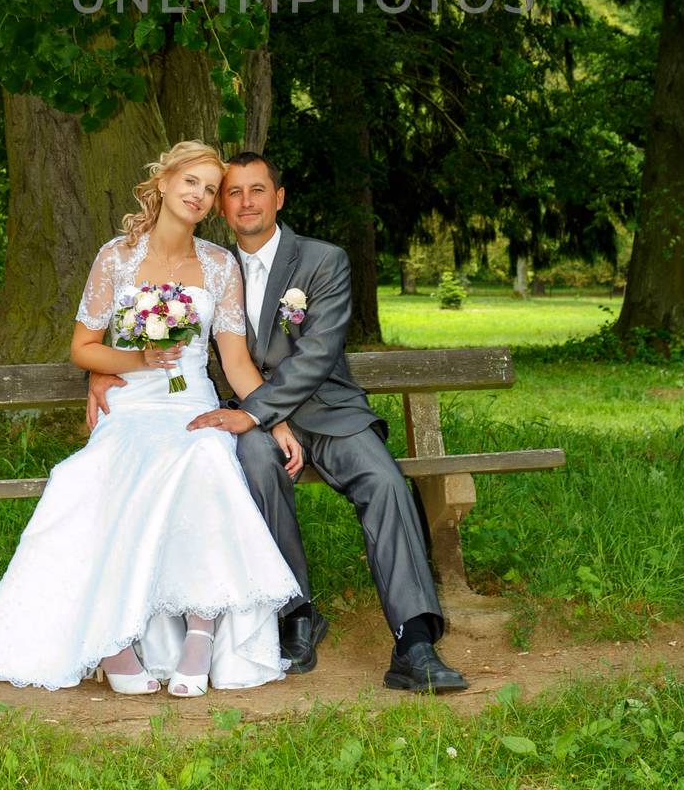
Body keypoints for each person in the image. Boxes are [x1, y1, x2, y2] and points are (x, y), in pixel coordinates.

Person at [89, 151, 468, 694]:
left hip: (326, 412)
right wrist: (101, 375)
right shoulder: (208, 263)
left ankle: (414, 641)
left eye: (257, 190)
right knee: (254, 465)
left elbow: (316, 356)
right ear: (221, 205)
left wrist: (254, 412)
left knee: (384, 483)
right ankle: (296, 614)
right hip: (250, 421)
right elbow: (143, 334)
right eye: (234, 192)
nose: (245, 201)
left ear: (279, 197)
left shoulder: (322, 261)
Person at [0, 141, 303, 696]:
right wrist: (135, 359)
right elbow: (83, 347)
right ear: (162, 183)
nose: (200, 194)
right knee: (88, 478)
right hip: (132, 408)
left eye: (210, 189)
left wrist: (272, 419)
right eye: (191, 181)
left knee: (209, 457)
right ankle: (112, 644)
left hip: (190, 407)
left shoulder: (218, 266)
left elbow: (235, 363)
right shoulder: (114, 258)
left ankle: (200, 637)